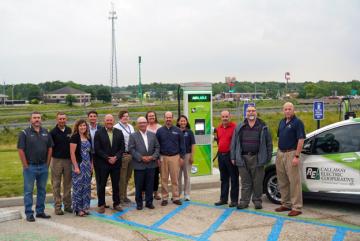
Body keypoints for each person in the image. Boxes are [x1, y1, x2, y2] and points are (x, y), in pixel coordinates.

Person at [230, 106, 273, 210]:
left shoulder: (263, 126)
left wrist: (267, 157)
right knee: (245, 182)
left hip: (257, 157)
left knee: (257, 181)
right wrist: (233, 156)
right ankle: (244, 202)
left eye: (253, 111)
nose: (251, 113)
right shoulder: (240, 126)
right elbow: (234, 143)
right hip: (243, 157)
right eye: (249, 111)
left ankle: (257, 201)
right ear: (246, 113)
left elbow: (269, 144)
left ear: (256, 112)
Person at [17, 111, 52, 222]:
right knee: (28, 191)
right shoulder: (24, 133)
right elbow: (20, 149)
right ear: (30, 120)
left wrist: (47, 164)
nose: (37, 119)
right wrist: (25, 165)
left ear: (41, 119)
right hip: (30, 167)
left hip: (43, 167)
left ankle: (40, 211)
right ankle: (29, 213)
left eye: (38, 117)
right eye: (34, 118)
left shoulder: (46, 132)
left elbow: (50, 148)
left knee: (42, 190)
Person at [275, 102, 305, 217]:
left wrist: (296, 156)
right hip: (281, 153)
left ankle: (296, 207)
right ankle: (286, 203)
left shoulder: (298, 123)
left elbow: (301, 140)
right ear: (283, 110)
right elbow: (279, 137)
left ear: (293, 110)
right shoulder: (282, 122)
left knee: (294, 182)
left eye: (289, 109)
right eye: (285, 109)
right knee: (282, 181)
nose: (287, 111)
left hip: (291, 153)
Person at [94, 114, 125, 213]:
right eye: (107, 120)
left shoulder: (119, 132)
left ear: (113, 121)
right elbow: (97, 149)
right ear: (104, 121)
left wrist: (116, 157)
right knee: (101, 184)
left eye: (111, 120)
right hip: (103, 163)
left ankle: (116, 203)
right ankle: (101, 204)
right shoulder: (98, 133)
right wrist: (107, 158)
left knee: (116, 184)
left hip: (116, 163)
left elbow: (122, 148)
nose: (109, 122)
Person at [128, 117, 160, 210]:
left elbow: (157, 147)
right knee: (139, 185)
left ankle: (149, 202)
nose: (142, 124)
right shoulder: (133, 136)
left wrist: (152, 157)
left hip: (151, 164)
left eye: (144, 122)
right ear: (137, 125)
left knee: (150, 184)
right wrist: (141, 157)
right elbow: (131, 149)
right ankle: (139, 203)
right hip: (139, 164)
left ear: (147, 123)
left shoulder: (153, 135)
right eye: (140, 123)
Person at [156, 111, 185, 206]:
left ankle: (176, 197)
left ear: (172, 118)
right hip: (163, 157)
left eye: (170, 117)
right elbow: (157, 146)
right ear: (164, 118)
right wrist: (158, 158)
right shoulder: (160, 131)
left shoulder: (178, 130)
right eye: (166, 117)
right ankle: (164, 197)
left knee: (175, 178)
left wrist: (181, 157)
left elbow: (182, 145)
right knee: (164, 178)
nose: (168, 119)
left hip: (175, 157)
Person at [49, 112, 73, 215]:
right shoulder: (53, 132)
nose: (62, 120)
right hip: (56, 160)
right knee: (56, 184)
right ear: (57, 120)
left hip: (68, 160)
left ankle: (67, 205)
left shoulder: (69, 130)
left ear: (66, 119)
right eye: (60, 119)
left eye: (64, 119)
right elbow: (50, 148)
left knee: (67, 184)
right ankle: (58, 207)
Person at [215, 110, 239, 207]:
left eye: (226, 116)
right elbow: (218, 141)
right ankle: (223, 199)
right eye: (223, 116)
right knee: (224, 178)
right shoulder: (219, 128)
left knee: (234, 178)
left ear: (230, 116)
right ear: (221, 117)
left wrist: (234, 156)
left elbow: (237, 143)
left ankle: (234, 200)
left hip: (231, 156)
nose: (225, 118)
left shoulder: (235, 127)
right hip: (221, 155)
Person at [69, 119, 93, 217]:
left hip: (87, 165)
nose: (83, 127)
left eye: (84, 125)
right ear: (77, 127)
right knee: (78, 187)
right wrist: (76, 167)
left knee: (86, 187)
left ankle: (85, 207)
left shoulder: (87, 137)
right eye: (80, 126)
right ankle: (78, 209)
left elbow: (90, 152)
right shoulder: (74, 137)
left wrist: (92, 165)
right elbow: (72, 153)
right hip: (79, 165)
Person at [87, 110, 108, 208]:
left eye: (94, 116)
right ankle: (86, 203)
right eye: (91, 116)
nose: (92, 118)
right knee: (87, 180)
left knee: (101, 180)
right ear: (88, 118)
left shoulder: (101, 128)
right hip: (88, 156)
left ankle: (102, 202)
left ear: (97, 118)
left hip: (99, 157)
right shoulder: (84, 128)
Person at [114, 110, 135, 204]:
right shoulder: (116, 127)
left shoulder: (130, 126)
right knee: (121, 178)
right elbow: (114, 143)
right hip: (123, 155)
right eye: (124, 116)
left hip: (131, 154)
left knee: (127, 177)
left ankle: (125, 195)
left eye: (127, 116)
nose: (126, 117)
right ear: (120, 117)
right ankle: (120, 197)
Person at [176, 115, 195, 201]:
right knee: (178, 176)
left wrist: (192, 156)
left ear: (186, 122)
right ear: (178, 122)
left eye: (184, 121)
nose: (183, 122)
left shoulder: (190, 132)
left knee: (187, 175)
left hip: (187, 155)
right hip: (178, 156)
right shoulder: (175, 131)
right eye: (181, 121)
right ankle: (178, 193)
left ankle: (187, 194)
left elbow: (193, 145)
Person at [145, 111, 162, 200]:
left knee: (155, 175)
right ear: (147, 118)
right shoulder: (145, 127)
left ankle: (155, 192)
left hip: (157, 155)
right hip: (147, 155)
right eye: (149, 116)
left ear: (155, 117)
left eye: (153, 115)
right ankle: (146, 192)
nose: (151, 117)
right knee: (146, 174)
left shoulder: (160, 127)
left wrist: (158, 157)